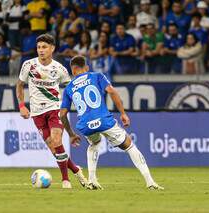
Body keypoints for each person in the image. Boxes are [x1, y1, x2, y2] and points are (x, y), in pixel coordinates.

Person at [60, 55, 164, 190]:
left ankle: (92, 180)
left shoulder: (68, 88)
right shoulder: (96, 76)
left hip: (85, 125)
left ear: (73, 71)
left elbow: (62, 114)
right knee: (129, 146)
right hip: (103, 120)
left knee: (94, 143)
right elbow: (112, 91)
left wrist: (71, 134)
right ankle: (150, 182)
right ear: (86, 68)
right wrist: (123, 113)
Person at [16, 34, 88, 189]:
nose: (41, 50)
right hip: (37, 113)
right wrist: (22, 105)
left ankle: (65, 180)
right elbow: (20, 85)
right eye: (39, 47)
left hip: (54, 108)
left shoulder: (59, 69)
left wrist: (76, 105)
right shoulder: (28, 65)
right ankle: (76, 170)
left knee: (57, 141)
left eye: (44, 47)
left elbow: (71, 89)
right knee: (55, 149)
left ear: (52, 49)